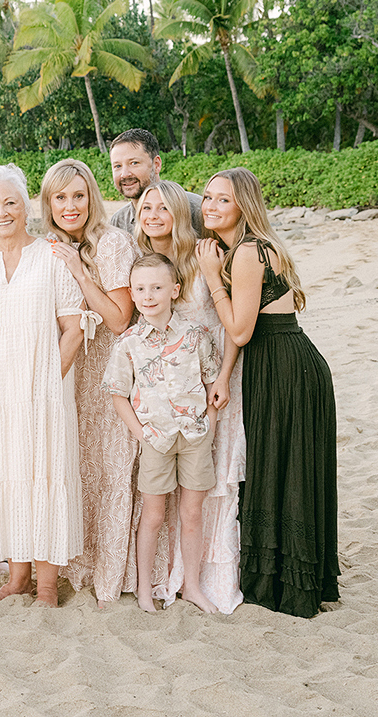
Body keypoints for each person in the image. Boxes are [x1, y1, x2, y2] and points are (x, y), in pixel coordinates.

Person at [197, 167, 339, 618]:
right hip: (289, 361)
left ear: (245, 205)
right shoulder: (252, 247)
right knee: (287, 467)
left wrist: (209, 276)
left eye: (223, 199)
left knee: (283, 468)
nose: (211, 206)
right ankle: (293, 580)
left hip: (284, 367)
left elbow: (239, 330)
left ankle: (284, 586)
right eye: (208, 197)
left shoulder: (246, 253)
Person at [0, 164, 85, 607]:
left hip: (44, 395)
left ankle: (46, 585)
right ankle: (16, 577)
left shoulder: (52, 258)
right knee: (4, 476)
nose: (2, 212)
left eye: (10, 202)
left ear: (26, 205)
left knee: (41, 474)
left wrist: (47, 382)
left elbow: (74, 328)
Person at [134, 181, 243, 614]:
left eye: (163, 207)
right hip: (161, 398)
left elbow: (231, 323)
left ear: (180, 212)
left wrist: (224, 376)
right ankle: (155, 579)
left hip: (210, 382)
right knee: (157, 501)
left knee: (205, 492)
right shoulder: (144, 263)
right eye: (146, 206)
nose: (154, 214)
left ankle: (198, 581)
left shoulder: (204, 254)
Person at [41, 158, 139, 607]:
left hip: (108, 369)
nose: (70, 205)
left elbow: (120, 320)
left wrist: (81, 271)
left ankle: (111, 569)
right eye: (60, 197)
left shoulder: (113, 244)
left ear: (92, 197)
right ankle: (78, 561)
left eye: (78, 195)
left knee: (111, 468)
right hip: (68, 370)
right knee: (77, 467)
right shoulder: (47, 246)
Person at [103, 253, 222, 614]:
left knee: (192, 514)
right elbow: (117, 394)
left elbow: (213, 380)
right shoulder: (129, 342)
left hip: (194, 437)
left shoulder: (194, 335)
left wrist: (209, 425)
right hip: (155, 439)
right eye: (140, 288)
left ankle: (193, 587)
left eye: (156, 287)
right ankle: (143, 589)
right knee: (153, 515)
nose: (148, 295)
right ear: (133, 294)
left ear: (174, 289)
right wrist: (141, 433)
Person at [108, 129, 203, 236]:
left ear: (156, 165)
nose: (124, 174)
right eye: (117, 166)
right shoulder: (118, 222)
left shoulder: (196, 210)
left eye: (134, 163)